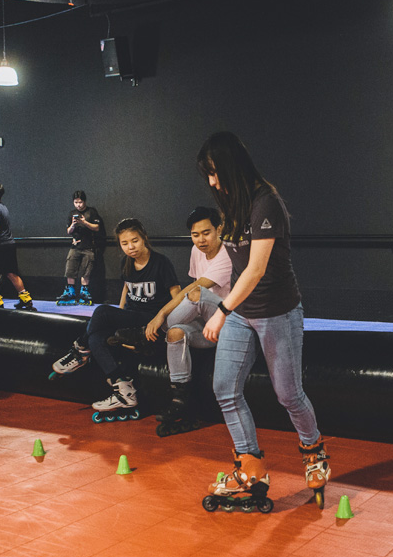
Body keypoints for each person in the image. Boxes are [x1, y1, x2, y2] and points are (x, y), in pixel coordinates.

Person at [198, 132, 331, 509]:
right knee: (224, 388)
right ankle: (250, 465)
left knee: (288, 394)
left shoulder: (265, 203)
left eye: (214, 172)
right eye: (207, 174)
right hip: (243, 313)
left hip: (277, 312)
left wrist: (221, 310)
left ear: (231, 167)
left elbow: (255, 270)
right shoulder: (232, 205)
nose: (212, 182)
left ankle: (313, 450)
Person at [50, 218, 180, 419]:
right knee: (96, 338)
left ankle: (78, 350)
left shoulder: (161, 262)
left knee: (101, 311)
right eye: (125, 243)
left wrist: (168, 325)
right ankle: (123, 389)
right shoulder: (126, 263)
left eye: (134, 241)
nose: (131, 247)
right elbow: (126, 289)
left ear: (144, 238)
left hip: (151, 320)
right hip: (132, 316)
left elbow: (177, 296)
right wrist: (117, 316)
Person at [143, 206, 232, 435]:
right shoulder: (196, 251)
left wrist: (160, 314)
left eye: (206, 233)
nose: (201, 240)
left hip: (229, 325)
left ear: (219, 229)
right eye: (195, 234)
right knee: (175, 334)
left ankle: (147, 336)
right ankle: (181, 399)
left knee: (197, 294)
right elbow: (188, 298)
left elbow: (194, 290)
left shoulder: (228, 253)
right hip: (205, 327)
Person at [56, 190, 102, 306]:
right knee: (70, 268)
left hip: (89, 246)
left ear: (84, 201)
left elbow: (97, 227)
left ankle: (84, 292)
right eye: (76, 202)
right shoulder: (72, 213)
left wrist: (84, 222)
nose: (78, 205)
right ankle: (70, 291)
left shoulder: (91, 212)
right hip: (75, 246)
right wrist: (73, 225)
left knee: (86, 270)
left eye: (80, 202)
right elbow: (68, 231)